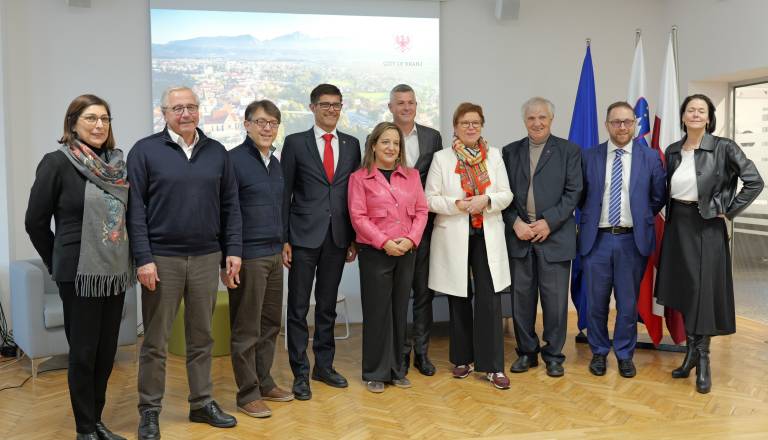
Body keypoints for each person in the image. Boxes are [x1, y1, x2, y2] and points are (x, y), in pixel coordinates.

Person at [128, 86, 242, 439]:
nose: (186, 114)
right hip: (162, 260)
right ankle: (149, 410)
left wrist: (232, 251)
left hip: (207, 257)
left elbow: (230, 206)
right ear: (163, 113)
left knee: (202, 337)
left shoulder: (217, 152)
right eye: (177, 108)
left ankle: (201, 403)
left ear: (199, 110)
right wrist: (144, 259)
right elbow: (135, 211)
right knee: (155, 341)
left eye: (191, 107)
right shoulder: (145, 151)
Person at [26, 94, 131, 440]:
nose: (99, 125)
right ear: (73, 123)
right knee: (84, 352)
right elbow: (35, 222)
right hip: (78, 273)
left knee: (106, 352)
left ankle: (97, 420)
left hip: (113, 272)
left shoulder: (117, 166)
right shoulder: (57, 163)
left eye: (105, 118)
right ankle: (84, 428)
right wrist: (57, 261)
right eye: (91, 118)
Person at [655, 94, 763, 394]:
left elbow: (754, 181)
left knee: (703, 292)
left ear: (709, 117)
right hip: (678, 226)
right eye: (690, 110)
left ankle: (703, 360)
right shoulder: (673, 150)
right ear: (683, 116)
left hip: (707, 227)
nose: (695, 114)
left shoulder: (724, 147)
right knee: (685, 291)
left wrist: (728, 210)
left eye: (701, 111)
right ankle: (691, 354)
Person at [281, 83, 362, 400]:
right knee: (298, 307)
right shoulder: (295, 143)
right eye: (325, 104)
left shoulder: (352, 144)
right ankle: (300, 373)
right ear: (312, 107)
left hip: (338, 237)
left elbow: (355, 195)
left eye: (336, 104)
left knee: (327, 307)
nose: (331, 110)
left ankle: (324, 367)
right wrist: (284, 238)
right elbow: (284, 193)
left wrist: (353, 238)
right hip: (302, 237)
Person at [425, 102, 513, 390]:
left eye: (476, 122)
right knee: (458, 297)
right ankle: (462, 358)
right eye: (465, 123)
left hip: (486, 234)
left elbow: (506, 194)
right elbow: (429, 199)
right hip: (454, 234)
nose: (471, 127)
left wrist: (486, 200)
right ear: (455, 127)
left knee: (489, 298)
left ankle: (493, 366)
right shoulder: (441, 158)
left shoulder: (495, 155)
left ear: (482, 125)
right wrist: (458, 204)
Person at [578, 101, 666, 378]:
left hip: (632, 241)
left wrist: (637, 217)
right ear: (607, 125)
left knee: (627, 304)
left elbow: (658, 197)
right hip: (597, 240)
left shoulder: (649, 157)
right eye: (616, 122)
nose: (622, 127)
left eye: (627, 121)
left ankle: (625, 354)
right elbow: (580, 196)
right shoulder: (589, 156)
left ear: (635, 124)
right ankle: (599, 352)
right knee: (596, 303)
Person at [502, 97, 582, 377]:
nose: (537, 123)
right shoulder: (510, 152)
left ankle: (554, 355)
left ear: (551, 119)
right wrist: (514, 222)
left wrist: (549, 222)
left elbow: (574, 192)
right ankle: (526, 352)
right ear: (524, 121)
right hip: (520, 237)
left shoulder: (569, 151)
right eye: (531, 118)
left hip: (555, 237)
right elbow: (502, 193)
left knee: (555, 303)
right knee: (521, 301)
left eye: (542, 117)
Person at [225, 100, 294, 418]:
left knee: (269, 325)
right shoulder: (233, 161)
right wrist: (231, 254)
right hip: (248, 257)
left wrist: (283, 241)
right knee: (246, 328)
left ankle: (264, 382)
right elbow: (228, 212)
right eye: (261, 122)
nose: (268, 128)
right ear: (247, 125)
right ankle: (247, 394)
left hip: (273, 254)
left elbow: (280, 208)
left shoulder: (275, 163)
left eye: (273, 123)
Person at [348, 121, 429, 393]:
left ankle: (396, 370)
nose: (391, 147)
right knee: (377, 312)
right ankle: (375, 371)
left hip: (406, 250)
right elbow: (358, 217)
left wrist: (411, 240)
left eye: (396, 143)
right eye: (385, 142)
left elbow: (422, 212)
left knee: (399, 311)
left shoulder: (412, 176)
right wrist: (384, 242)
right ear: (373, 145)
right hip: (375, 253)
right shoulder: (359, 178)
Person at [388, 84, 443, 377]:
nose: (406, 107)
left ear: (416, 106)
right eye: (400, 103)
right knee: (397, 296)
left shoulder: (432, 137)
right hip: (391, 231)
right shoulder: (380, 137)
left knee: (423, 293)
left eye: (410, 102)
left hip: (425, 227)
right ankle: (399, 352)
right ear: (391, 108)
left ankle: (422, 353)